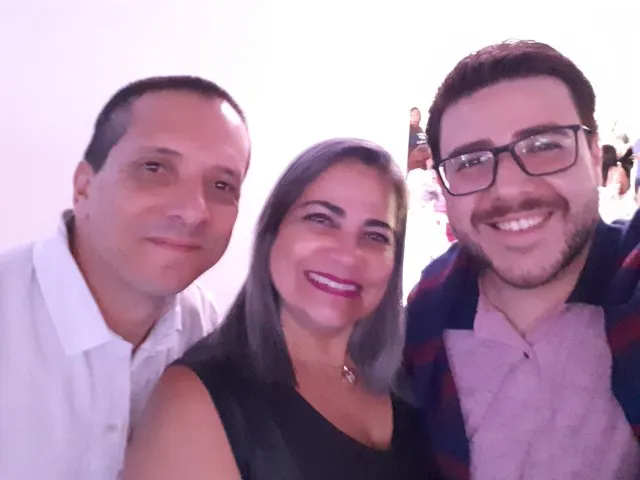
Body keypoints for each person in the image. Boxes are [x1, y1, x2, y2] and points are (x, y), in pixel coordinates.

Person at [124, 138, 435, 479]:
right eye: (321, 219)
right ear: (272, 233)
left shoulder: (409, 374)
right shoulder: (194, 401)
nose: (348, 255)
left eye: (375, 236)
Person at [404, 40, 640, 479]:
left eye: (544, 145)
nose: (510, 189)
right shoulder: (423, 318)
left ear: (594, 156)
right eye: (470, 161)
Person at [0, 75, 251, 479]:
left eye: (222, 184)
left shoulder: (205, 327)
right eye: (155, 168)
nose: (193, 211)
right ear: (83, 188)